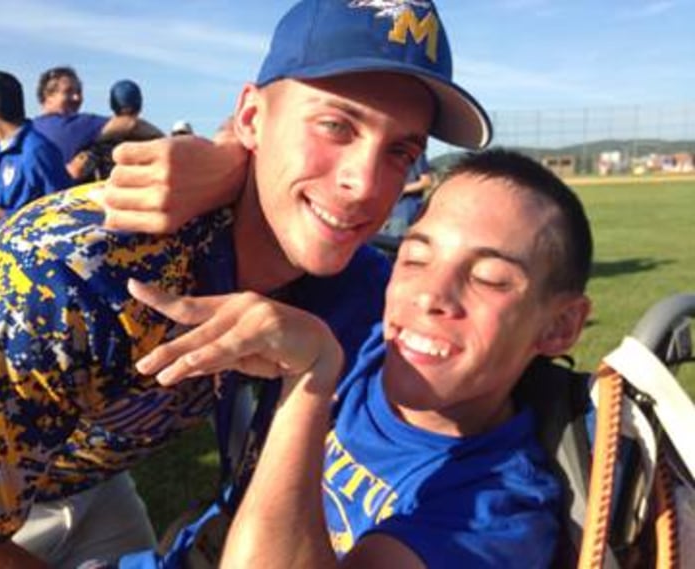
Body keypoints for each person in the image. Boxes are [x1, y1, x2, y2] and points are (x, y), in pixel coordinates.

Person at [0, 1, 490, 567]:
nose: (365, 185)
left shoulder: (345, 275)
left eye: (401, 150)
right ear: (251, 119)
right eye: (335, 125)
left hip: (92, 480)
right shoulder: (61, 277)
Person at [130, 149, 593, 568]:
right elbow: (287, 193)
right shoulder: (358, 310)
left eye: (490, 278)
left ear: (560, 327)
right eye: (415, 258)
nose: (431, 294)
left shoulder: (498, 517)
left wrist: (310, 381)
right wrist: (231, 159)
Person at [0, 70, 72, 227]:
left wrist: (5, 216)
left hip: (34, 250)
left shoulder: (37, 150)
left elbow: (66, 210)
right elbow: (4, 201)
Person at [32, 66, 162, 182]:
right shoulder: (80, 125)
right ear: (48, 95)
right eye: (69, 91)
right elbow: (131, 124)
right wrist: (169, 141)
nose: (77, 97)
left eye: (78, 92)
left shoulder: (30, 130)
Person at [85, 79, 160, 180]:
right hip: (146, 192)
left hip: (111, 192)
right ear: (140, 104)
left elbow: (81, 169)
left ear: (112, 104)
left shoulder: (99, 139)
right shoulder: (154, 139)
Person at [379, 152, 434, 238]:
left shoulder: (416, 154)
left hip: (404, 210)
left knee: (394, 242)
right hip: (386, 209)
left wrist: (400, 189)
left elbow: (426, 182)